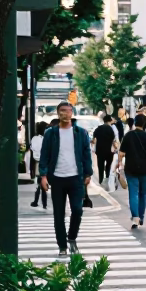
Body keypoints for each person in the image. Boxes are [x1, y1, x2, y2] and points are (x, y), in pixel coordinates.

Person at [37, 101, 93, 257]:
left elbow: (86, 154)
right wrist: (43, 176)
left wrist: (88, 174)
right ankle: (62, 246)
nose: (65, 113)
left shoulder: (80, 133)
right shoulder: (51, 133)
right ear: (58, 113)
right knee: (58, 214)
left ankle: (72, 238)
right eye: (62, 111)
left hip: (76, 178)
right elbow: (44, 155)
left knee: (77, 210)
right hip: (57, 178)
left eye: (68, 111)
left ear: (72, 113)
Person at [115, 114, 146, 230]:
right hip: (145, 169)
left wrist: (119, 164)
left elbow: (121, 153)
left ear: (135, 122)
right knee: (143, 194)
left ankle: (135, 218)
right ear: (145, 124)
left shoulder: (128, 135)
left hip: (131, 168)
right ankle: (142, 217)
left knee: (133, 193)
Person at [92, 114, 117, 185]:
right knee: (108, 165)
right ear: (110, 121)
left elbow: (94, 139)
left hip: (100, 150)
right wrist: (116, 148)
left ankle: (100, 179)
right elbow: (113, 141)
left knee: (100, 165)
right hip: (109, 151)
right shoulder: (111, 129)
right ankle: (107, 176)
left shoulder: (98, 128)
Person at [29, 122, 48, 210]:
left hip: (37, 162)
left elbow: (33, 150)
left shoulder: (34, 139)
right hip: (45, 162)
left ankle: (37, 201)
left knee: (40, 182)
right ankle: (42, 202)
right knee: (42, 182)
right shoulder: (46, 138)